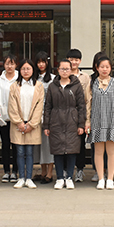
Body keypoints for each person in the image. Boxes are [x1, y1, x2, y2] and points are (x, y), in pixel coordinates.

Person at [43, 59, 86, 190]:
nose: (65, 71)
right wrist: (46, 125)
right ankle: (60, 178)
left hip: (72, 121)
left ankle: (69, 178)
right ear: (58, 70)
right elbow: (47, 107)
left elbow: (81, 106)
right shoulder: (52, 86)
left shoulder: (76, 85)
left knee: (72, 151)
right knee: (58, 151)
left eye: (67, 69)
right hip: (56, 121)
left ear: (71, 70)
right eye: (62, 69)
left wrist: (81, 124)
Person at [85, 55, 114, 190]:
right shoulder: (92, 83)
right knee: (98, 151)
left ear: (111, 68)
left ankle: (110, 179)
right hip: (96, 120)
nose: (104, 69)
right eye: (102, 67)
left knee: (112, 151)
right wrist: (87, 121)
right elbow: (88, 104)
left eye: (107, 67)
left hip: (112, 120)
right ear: (97, 68)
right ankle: (101, 178)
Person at [8, 59, 44, 189]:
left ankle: (29, 178)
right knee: (19, 152)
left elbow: (40, 106)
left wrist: (31, 124)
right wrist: (19, 122)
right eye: (23, 69)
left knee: (29, 152)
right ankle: (21, 178)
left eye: (28, 68)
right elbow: (12, 106)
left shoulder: (38, 86)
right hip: (18, 124)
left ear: (33, 70)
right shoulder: (14, 86)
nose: (26, 71)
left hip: (32, 125)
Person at [68, 49, 91, 182]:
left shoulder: (85, 77)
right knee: (66, 143)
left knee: (80, 144)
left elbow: (87, 98)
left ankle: (80, 170)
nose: (74, 62)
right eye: (71, 59)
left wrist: (86, 118)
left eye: (76, 60)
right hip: (65, 115)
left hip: (80, 114)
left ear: (80, 61)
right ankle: (67, 171)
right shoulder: (63, 75)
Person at [0, 54, 19, 183]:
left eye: (12, 63)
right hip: (3, 118)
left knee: (16, 145)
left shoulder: (19, 79)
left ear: (16, 65)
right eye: (7, 63)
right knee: (5, 144)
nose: (9, 66)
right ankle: (6, 171)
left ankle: (15, 171)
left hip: (16, 118)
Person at [35, 52, 56, 184]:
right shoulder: (33, 78)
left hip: (49, 114)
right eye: (39, 62)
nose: (41, 64)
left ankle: (49, 173)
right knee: (40, 144)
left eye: (43, 62)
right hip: (35, 115)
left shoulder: (53, 79)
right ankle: (42, 171)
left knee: (48, 144)